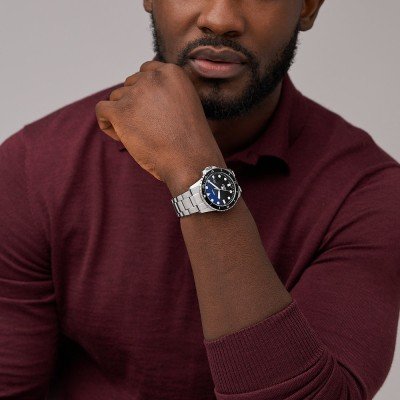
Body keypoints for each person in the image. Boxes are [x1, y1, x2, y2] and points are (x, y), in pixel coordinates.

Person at [1, 1, 399, 399]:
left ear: (308, 8)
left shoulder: (367, 191)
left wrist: (191, 167)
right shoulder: (36, 166)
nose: (220, 20)